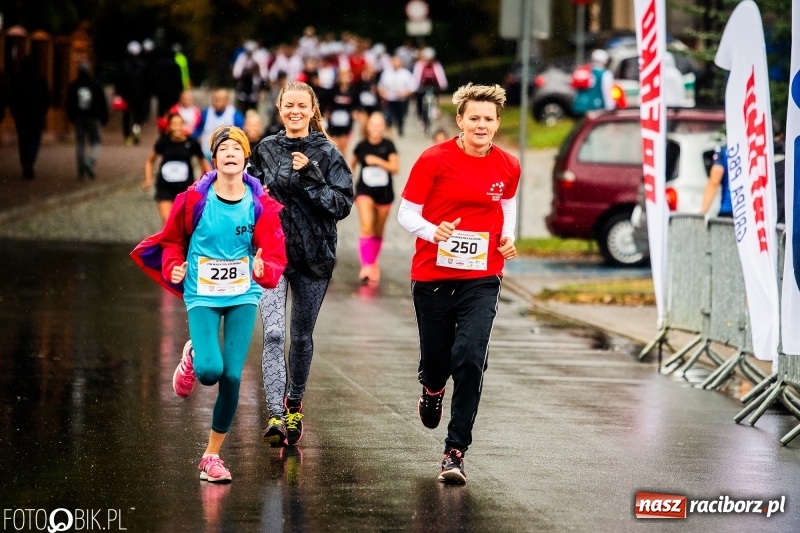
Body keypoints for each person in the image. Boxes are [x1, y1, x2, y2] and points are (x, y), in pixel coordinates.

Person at [130, 125, 288, 483]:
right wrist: (173, 266)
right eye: (223, 149)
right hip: (202, 292)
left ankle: (211, 456)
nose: (230, 153)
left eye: (237, 148)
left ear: (246, 157)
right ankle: (193, 355)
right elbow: (172, 242)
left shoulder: (260, 204)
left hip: (242, 293)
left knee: (232, 375)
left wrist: (264, 269)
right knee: (210, 372)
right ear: (213, 159)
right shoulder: (192, 200)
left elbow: (273, 252)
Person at [397, 83, 520, 484]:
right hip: (432, 275)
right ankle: (432, 389)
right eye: (474, 118)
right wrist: (433, 231)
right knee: (437, 362)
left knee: (469, 357)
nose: (481, 125)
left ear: (497, 123)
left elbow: (506, 204)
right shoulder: (434, 159)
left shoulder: (508, 165)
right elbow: (406, 213)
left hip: (482, 276)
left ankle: (455, 451)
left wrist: (507, 237)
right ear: (460, 121)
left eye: (489, 119)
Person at [247, 81, 353, 448]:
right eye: (288, 105)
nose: (294, 111)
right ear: (280, 109)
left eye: (301, 106)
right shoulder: (265, 150)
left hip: (314, 256)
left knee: (301, 336)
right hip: (273, 254)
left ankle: (294, 401)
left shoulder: (328, 152)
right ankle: (275, 413)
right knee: (274, 334)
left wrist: (311, 176)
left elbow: (341, 205)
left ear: (311, 110)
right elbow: (247, 196)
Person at [348, 111, 398, 284]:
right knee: (367, 225)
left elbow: (395, 168)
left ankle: (373, 261)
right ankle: (367, 266)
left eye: (379, 125)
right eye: (373, 125)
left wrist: (378, 161)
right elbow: (350, 167)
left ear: (383, 128)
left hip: (385, 192)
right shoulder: (361, 146)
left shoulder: (388, 145)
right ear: (367, 127)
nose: (376, 128)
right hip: (365, 190)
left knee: (378, 230)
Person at [142, 113, 212, 224]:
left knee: (183, 223)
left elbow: (203, 161)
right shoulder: (163, 142)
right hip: (165, 187)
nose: (177, 127)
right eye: (174, 124)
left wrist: (211, 180)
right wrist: (148, 179)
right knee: (167, 221)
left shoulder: (191, 143)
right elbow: (150, 161)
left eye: (180, 124)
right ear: (169, 127)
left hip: (185, 188)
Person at [7, 56, 50, 180]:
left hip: (21, 115)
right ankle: (30, 162)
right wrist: (43, 112)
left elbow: (12, 97)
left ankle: (25, 161)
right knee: (34, 139)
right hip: (36, 115)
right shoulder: (40, 79)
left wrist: (14, 112)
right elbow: (46, 98)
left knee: (23, 140)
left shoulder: (17, 79)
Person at [65, 61, 108, 181]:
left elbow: (69, 103)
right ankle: (90, 160)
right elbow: (102, 102)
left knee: (80, 143)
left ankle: (81, 171)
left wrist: (72, 117)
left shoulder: (74, 85)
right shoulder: (95, 84)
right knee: (96, 142)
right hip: (93, 118)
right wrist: (104, 118)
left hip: (79, 118)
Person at [116, 40, 150, 145]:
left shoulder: (123, 64)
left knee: (126, 117)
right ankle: (136, 135)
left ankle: (127, 137)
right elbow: (147, 82)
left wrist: (118, 94)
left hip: (126, 96)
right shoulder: (143, 65)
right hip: (139, 96)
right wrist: (146, 95)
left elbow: (119, 81)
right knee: (137, 118)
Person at [196, 89, 244, 163]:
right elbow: (197, 131)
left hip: (226, 157)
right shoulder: (205, 113)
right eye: (215, 99)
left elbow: (241, 136)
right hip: (207, 156)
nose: (217, 102)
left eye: (220, 100)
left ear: (227, 101)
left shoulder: (235, 116)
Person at [378, 55, 416, 137]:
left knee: (400, 116)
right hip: (389, 99)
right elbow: (381, 86)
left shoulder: (406, 74)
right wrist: (383, 94)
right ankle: (390, 131)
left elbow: (412, 87)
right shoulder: (386, 73)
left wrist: (405, 93)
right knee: (388, 116)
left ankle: (400, 128)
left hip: (401, 100)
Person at [412, 47, 448, 134]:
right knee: (419, 100)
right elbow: (416, 77)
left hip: (433, 86)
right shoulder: (419, 65)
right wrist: (415, 87)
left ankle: (435, 110)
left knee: (435, 97)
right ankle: (421, 118)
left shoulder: (436, 65)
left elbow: (441, 76)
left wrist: (443, 85)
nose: (428, 61)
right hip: (422, 86)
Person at [571, 48, 615, 117]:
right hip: (596, 107)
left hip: (580, 107)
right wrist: (610, 107)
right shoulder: (605, 74)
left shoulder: (584, 71)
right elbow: (607, 91)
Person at [326, 68, 357, 155]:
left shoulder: (352, 91)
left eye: (346, 76)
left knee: (344, 147)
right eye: (342, 76)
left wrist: (354, 113)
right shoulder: (333, 90)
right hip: (334, 122)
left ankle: (343, 162)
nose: (344, 78)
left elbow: (355, 105)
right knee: (334, 146)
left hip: (346, 123)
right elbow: (327, 103)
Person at [699, 145, 732, 218]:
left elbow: (714, 183)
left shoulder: (723, 151)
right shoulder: (751, 148)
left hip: (727, 210)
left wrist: (702, 212)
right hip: (748, 212)